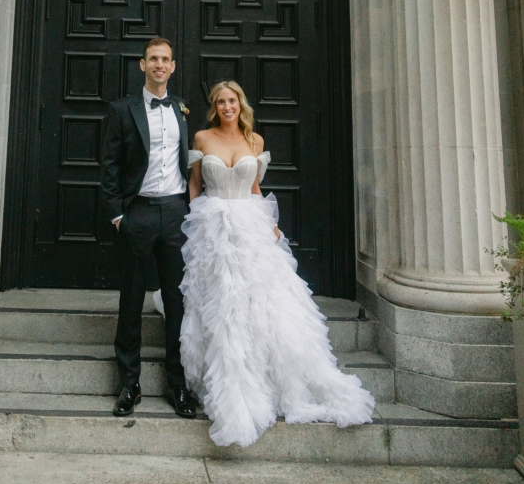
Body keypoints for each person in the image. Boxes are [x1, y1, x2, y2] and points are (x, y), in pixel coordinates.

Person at [180, 80, 375, 447]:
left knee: (264, 302)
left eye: (232, 100)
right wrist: (191, 222)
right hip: (212, 227)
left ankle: (268, 376)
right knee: (222, 304)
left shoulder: (256, 142)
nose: (227, 106)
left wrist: (271, 225)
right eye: (220, 101)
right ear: (214, 106)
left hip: (249, 226)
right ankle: (228, 383)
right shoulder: (203, 138)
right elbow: (194, 184)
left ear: (241, 104)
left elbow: (254, 189)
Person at [100, 36, 196, 419]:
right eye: (153, 59)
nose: (159, 64)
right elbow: (108, 166)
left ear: (173, 67)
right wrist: (118, 215)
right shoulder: (122, 110)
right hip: (136, 214)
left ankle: (178, 384)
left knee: (178, 303)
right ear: (142, 65)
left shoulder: (182, 109)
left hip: (175, 213)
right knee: (131, 300)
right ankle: (129, 383)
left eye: (165, 59)